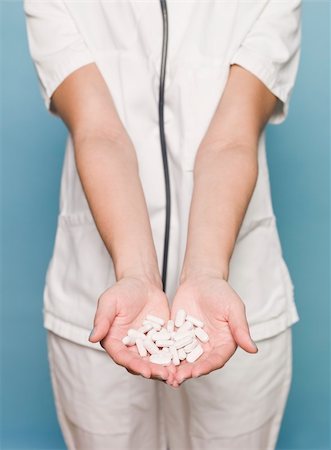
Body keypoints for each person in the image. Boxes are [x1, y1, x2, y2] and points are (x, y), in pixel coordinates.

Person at [23, 0, 302, 448]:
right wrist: (136, 275)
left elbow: (231, 137)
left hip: (235, 308)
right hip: (100, 307)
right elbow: (99, 131)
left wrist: (207, 273)